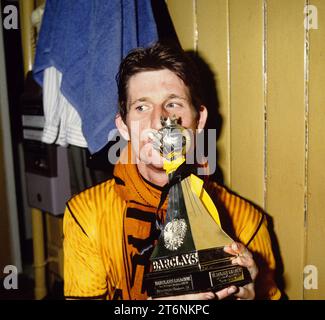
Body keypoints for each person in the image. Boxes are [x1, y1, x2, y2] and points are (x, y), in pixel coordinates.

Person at [63, 42, 282, 300]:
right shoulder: (86, 215)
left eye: (174, 104)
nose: (159, 121)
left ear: (199, 120)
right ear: (123, 126)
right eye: (142, 107)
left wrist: (254, 298)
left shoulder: (247, 221)